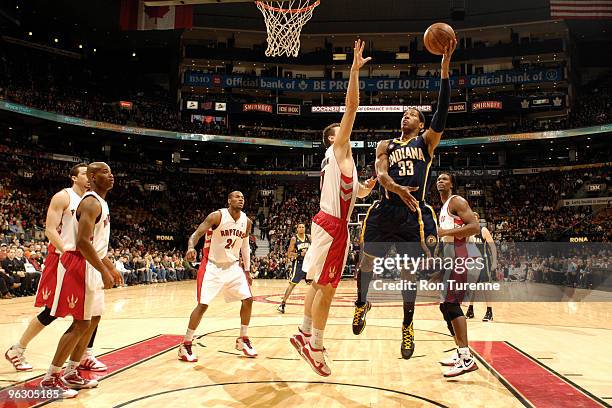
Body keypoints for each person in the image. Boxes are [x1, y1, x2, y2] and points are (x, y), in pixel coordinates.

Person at [352, 38, 457, 359]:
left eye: (411, 114)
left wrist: (444, 70)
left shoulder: (426, 142)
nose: (405, 116)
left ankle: (407, 327)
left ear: (421, 124)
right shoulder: (386, 144)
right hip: (385, 208)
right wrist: (396, 189)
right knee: (366, 260)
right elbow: (380, 173)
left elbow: (441, 114)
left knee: (410, 271)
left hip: (413, 214)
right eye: (404, 114)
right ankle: (361, 303)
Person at [290, 39, 376, 377]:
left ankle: (303, 331)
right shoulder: (338, 148)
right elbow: (352, 107)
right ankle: (317, 347)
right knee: (328, 287)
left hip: (327, 221)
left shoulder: (344, 163)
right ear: (332, 137)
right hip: (333, 225)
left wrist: (365, 188)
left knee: (315, 284)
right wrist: (354, 72)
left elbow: (354, 193)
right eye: (339, 130)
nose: (346, 132)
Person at [5, 163, 106, 373]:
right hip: (63, 258)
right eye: (84, 174)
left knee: (92, 310)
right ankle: (17, 349)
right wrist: (66, 254)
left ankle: (86, 354)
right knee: (52, 311)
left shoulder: (93, 200)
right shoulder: (63, 197)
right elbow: (50, 230)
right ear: (73, 178)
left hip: (83, 260)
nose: (89, 178)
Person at [40, 162, 122, 398]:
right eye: (105, 172)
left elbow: (97, 245)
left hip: (91, 264)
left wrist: (109, 267)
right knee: (79, 323)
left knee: (93, 318)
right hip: (79, 264)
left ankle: (72, 371)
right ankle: (51, 378)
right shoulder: (91, 202)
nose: (111, 175)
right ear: (94, 177)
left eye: (111, 171)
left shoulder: (101, 202)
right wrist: (104, 271)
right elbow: (83, 243)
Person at [178, 191, 256, 362]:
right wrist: (191, 247)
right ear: (229, 200)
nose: (241, 199)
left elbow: (245, 247)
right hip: (212, 266)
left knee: (248, 299)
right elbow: (197, 233)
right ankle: (186, 344)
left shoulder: (247, 222)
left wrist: (248, 270)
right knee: (203, 305)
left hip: (233, 266)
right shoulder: (217, 216)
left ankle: (243, 339)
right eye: (237, 197)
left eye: (243, 197)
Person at [435, 172, 480, 377]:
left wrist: (444, 233)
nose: (440, 181)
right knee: (445, 307)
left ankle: (466, 357)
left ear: (452, 184)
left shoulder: (457, 201)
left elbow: (475, 227)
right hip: (451, 259)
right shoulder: (443, 208)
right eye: (438, 179)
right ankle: (460, 351)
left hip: (462, 257)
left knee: (452, 305)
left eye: (445, 179)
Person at [466, 212, 497, 322]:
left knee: (485, 287)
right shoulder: (469, 233)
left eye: (475, 218)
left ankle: (489, 311)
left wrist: (494, 262)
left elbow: (492, 246)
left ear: (478, 220)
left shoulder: (483, 230)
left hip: (484, 261)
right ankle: (470, 310)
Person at [277, 223, 311, 314]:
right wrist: (300, 254)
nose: (301, 228)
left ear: (305, 228)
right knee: (292, 284)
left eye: (303, 227)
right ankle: (282, 304)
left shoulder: (309, 237)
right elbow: (289, 254)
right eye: (299, 227)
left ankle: (314, 305)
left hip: (308, 264)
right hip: (298, 264)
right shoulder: (294, 239)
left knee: (314, 284)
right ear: (297, 229)